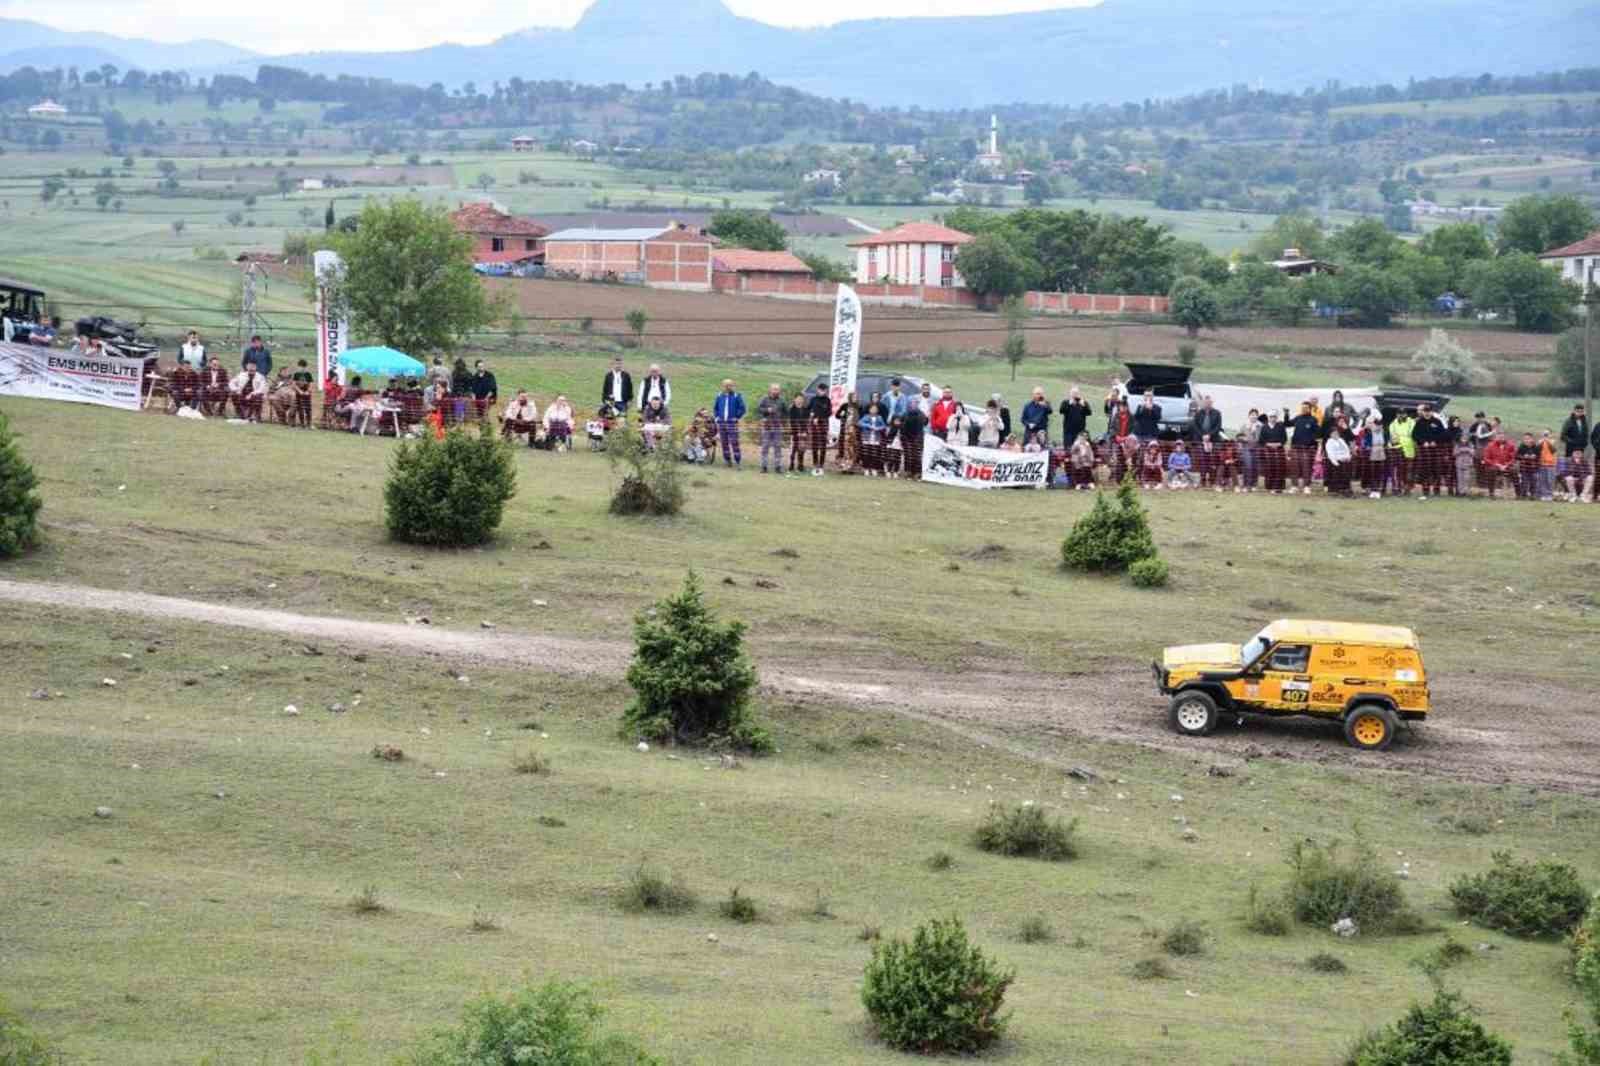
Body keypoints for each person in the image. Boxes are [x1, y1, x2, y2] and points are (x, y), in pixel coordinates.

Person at [1412, 403, 1449, 498]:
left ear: (1432, 412)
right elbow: (1415, 435)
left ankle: (1437, 490)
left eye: (1429, 411)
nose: (1427, 413)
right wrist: (1423, 442)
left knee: (1437, 470)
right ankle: (1426, 490)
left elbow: (1444, 435)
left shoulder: (1437, 422)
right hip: (1424, 451)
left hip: (1436, 450)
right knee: (1425, 470)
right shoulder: (1419, 422)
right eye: (1425, 411)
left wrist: (1435, 441)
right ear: (1423, 412)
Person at [1288, 400, 1322, 494]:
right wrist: (1286, 414)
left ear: (1309, 409)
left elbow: (1318, 433)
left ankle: (1306, 486)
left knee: (1306, 467)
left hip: (1307, 448)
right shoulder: (1297, 418)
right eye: (1302, 408)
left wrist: (1313, 445)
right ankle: (1294, 486)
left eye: (1305, 408)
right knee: (1294, 467)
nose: (1303, 409)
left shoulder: (1313, 420)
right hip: (1295, 446)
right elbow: (1287, 424)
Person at [712, 379, 746, 468]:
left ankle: (738, 461)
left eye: (730, 385)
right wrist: (717, 417)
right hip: (722, 422)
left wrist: (737, 417)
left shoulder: (737, 396)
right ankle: (727, 460)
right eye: (725, 385)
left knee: (734, 442)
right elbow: (715, 408)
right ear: (722, 386)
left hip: (732, 423)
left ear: (733, 386)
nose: (727, 387)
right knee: (724, 442)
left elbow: (742, 408)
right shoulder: (719, 396)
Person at [1190, 395, 1223, 486]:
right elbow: (1195, 426)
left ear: (1212, 403)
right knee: (1202, 458)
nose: (1207, 404)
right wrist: (1203, 436)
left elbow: (1218, 427)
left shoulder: (1217, 413)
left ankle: (1212, 479)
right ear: (1203, 403)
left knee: (1213, 458)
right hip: (1200, 439)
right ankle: (1203, 479)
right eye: (1206, 402)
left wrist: (1209, 435)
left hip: (1214, 439)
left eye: (1209, 402)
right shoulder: (1198, 413)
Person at [756, 383, 785, 474]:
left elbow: (786, 412)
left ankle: (778, 466)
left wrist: (783, 421)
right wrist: (766, 410)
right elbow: (758, 409)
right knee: (765, 446)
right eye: (774, 389)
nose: (776, 391)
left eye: (777, 389)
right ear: (770, 390)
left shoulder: (782, 401)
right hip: (767, 426)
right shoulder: (764, 399)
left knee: (778, 446)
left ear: (779, 391)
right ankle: (764, 466)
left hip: (777, 426)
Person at [1324, 415, 1355, 497]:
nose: (1335, 434)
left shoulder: (1341, 439)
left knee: (1346, 475)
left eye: (1336, 433)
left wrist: (1348, 457)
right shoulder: (1329, 442)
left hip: (1345, 460)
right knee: (1336, 476)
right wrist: (1335, 462)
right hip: (1336, 462)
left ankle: (1346, 489)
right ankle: (1336, 490)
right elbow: (1330, 453)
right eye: (1333, 433)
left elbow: (1347, 449)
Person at [1480, 430, 1516, 498]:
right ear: (1496, 437)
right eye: (1499, 436)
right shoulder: (1490, 445)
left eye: (1503, 436)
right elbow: (1486, 458)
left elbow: (1513, 458)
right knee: (1491, 471)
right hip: (1495, 466)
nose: (1501, 438)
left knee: (1514, 471)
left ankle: (1519, 493)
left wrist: (1507, 465)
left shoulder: (1511, 445)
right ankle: (1491, 493)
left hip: (1506, 466)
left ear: (1505, 437)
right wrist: (1496, 464)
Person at [1259, 410, 1288, 493]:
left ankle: (1279, 487)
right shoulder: (1264, 427)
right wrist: (1268, 444)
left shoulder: (1281, 426)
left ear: (1277, 418)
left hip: (1279, 449)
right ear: (1268, 418)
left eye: (1274, 417)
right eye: (1271, 417)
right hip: (1268, 450)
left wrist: (1278, 444)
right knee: (1269, 467)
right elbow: (1261, 440)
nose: (1273, 419)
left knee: (1279, 468)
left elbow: (1284, 438)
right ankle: (1269, 486)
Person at [806, 388, 832, 475]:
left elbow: (829, 413)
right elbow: (808, 409)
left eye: (825, 391)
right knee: (815, 446)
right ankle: (815, 465)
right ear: (818, 390)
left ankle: (821, 466)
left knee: (823, 446)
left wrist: (819, 418)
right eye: (821, 390)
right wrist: (811, 414)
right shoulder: (813, 399)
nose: (823, 392)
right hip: (814, 425)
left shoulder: (827, 400)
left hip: (824, 424)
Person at [858, 401, 887, 477]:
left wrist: (878, 428)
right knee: (866, 454)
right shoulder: (866, 416)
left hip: (876, 438)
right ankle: (866, 468)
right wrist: (868, 426)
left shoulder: (879, 417)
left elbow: (884, 426)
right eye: (872, 409)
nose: (874, 410)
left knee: (874, 454)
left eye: (875, 409)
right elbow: (860, 423)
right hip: (866, 438)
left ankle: (874, 468)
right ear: (869, 409)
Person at [835, 391, 861, 472]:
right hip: (845, 430)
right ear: (850, 398)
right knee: (845, 447)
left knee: (853, 448)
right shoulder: (845, 406)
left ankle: (851, 467)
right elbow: (837, 415)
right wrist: (842, 415)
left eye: (856, 397)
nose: (855, 399)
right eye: (853, 397)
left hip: (855, 430)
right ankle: (844, 467)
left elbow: (861, 417)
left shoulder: (859, 407)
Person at [786, 391, 810, 474]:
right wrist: (797, 432)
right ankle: (791, 464)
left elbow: (806, 422)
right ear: (794, 399)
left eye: (801, 399)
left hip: (804, 432)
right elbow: (792, 422)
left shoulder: (806, 409)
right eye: (798, 399)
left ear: (803, 400)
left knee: (802, 449)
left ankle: (800, 465)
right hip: (795, 432)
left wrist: (804, 432)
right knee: (793, 449)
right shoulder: (792, 409)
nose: (799, 400)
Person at [291, 359, 314, 428]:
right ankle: (302, 424)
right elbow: (294, 384)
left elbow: (311, 384)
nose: (301, 368)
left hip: (307, 394)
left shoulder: (308, 374)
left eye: (303, 367)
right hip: (299, 394)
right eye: (300, 367)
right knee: (300, 409)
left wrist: (308, 391)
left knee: (308, 409)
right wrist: (299, 391)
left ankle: (309, 424)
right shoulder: (296, 374)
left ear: (305, 367)